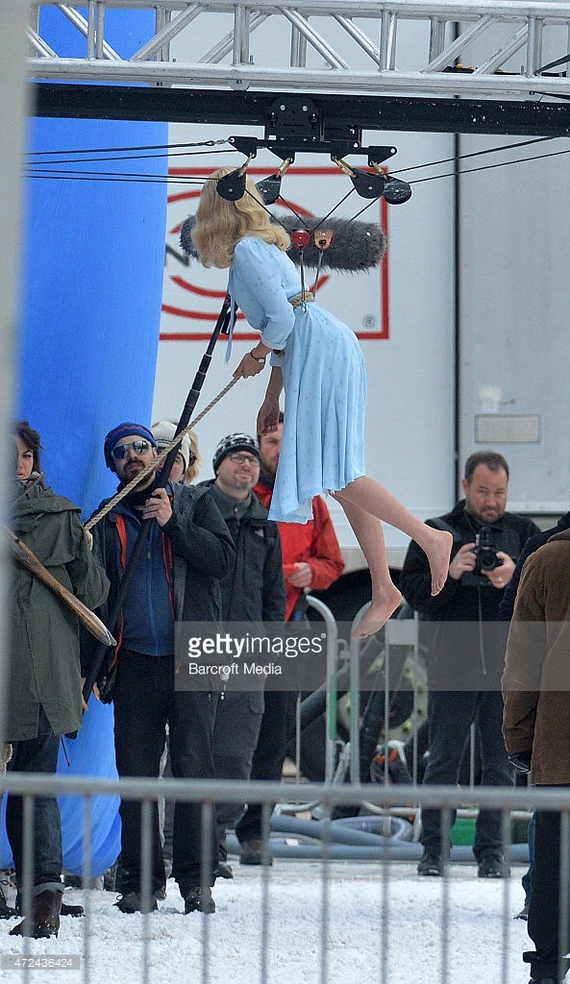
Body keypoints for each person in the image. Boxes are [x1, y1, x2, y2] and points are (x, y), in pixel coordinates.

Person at [190, 167, 453, 640]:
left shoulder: (250, 249)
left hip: (315, 347)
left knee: (339, 474)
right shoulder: (261, 245)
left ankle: (427, 537)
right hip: (318, 346)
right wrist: (273, 391)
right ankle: (382, 585)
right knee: (339, 473)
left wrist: (256, 357)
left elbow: (281, 325)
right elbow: (286, 317)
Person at [85, 422, 234, 915]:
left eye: (141, 448)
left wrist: (174, 524)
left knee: (193, 774)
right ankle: (140, 880)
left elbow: (220, 561)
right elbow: (95, 599)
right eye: (121, 452)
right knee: (137, 778)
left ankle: (197, 881)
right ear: (113, 466)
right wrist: (94, 670)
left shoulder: (193, 503)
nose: (132, 456)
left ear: (159, 454)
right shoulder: (106, 520)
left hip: (193, 658)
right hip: (134, 665)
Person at [399, 450, 540, 878]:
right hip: (452, 661)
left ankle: (492, 852)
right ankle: (434, 850)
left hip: (506, 668)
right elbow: (414, 593)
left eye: (499, 492)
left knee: (501, 764)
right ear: (464, 487)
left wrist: (515, 577)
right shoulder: (437, 532)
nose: (492, 501)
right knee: (443, 759)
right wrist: (453, 573)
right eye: (483, 491)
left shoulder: (525, 535)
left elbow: (541, 600)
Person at [4, 421, 109, 938]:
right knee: (34, 787)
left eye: (21, 456)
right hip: (38, 677)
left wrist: (82, 550)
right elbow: (93, 591)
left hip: (39, 675)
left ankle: (42, 897)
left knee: (34, 786)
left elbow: (91, 592)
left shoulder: (64, 518)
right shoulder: (64, 515)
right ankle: (40, 894)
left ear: (32, 462)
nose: (15, 464)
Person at [232, 418, 344, 866]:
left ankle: (254, 832)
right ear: (258, 446)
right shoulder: (236, 497)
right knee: (226, 735)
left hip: (287, 630)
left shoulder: (310, 500)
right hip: (237, 633)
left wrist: (309, 573)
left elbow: (332, 562)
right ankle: (210, 829)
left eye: (286, 440)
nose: (279, 448)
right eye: (272, 440)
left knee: (273, 736)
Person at [198, 432, 286, 877]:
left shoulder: (265, 525)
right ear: (217, 467)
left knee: (235, 756)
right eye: (236, 458)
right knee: (194, 750)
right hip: (197, 648)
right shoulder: (195, 511)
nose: (246, 465)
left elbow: (275, 596)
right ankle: (190, 848)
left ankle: (216, 840)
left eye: (251, 459)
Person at [502, 529, 570, 984]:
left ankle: (547, 964)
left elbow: (522, 661)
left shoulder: (549, 560)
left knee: (552, 862)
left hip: (560, 746)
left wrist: (519, 736)